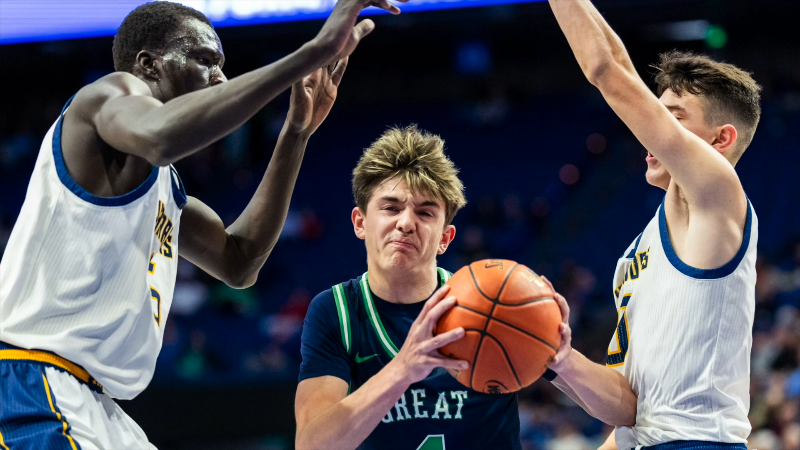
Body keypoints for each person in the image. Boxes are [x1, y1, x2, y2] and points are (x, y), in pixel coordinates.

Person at [0, 0, 409, 448]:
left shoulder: (165, 187)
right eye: (205, 60)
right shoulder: (104, 97)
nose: (220, 79)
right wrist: (309, 55)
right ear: (148, 65)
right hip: (33, 380)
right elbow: (159, 136)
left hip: (97, 405)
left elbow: (240, 261)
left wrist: (296, 132)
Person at [541, 1, 762, 449]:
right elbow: (628, 410)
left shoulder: (718, 194)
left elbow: (608, 71)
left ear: (721, 139)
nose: (648, 131)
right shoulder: (637, 254)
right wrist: (556, 356)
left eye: (672, 118)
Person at [294, 125, 538, 449]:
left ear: (445, 238)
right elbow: (311, 444)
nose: (406, 223)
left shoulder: (488, 303)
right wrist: (403, 370)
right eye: (391, 208)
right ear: (360, 223)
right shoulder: (335, 311)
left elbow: (617, 408)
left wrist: (560, 356)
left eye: (424, 212)